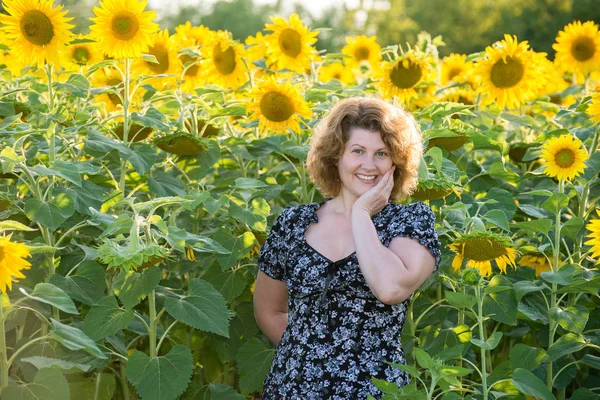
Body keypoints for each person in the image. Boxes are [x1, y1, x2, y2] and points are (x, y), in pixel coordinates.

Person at [253, 96, 441, 399]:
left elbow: (391, 289)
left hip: (374, 391)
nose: (369, 165)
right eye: (358, 151)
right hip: (292, 389)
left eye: (381, 153)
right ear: (335, 156)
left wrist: (361, 214)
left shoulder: (411, 222)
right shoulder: (293, 224)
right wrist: (311, 357)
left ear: (396, 162)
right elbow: (269, 310)